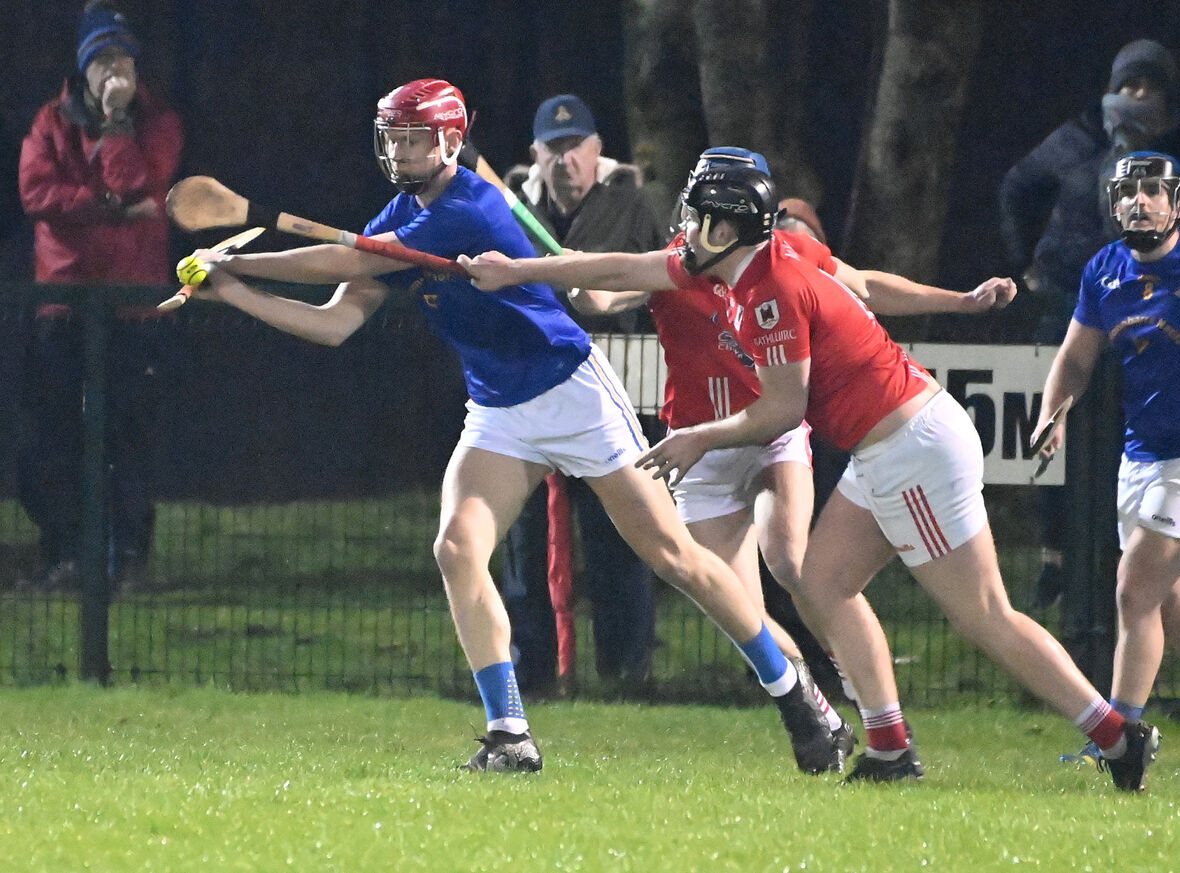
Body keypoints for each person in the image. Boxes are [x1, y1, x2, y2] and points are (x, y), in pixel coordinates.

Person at [180, 79, 839, 774]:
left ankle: (800, 697)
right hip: (498, 409)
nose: (400, 153)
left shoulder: (469, 205)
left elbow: (350, 260)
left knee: (675, 559)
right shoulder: (401, 215)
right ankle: (509, 733)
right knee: (456, 547)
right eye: (393, 139)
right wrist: (235, 291)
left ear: (451, 142)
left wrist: (238, 259)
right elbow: (335, 321)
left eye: (414, 140)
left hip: (571, 394)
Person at [461, 161, 1161, 792]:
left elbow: (782, 410)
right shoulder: (743, 260)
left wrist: (699, 437)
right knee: (823, 582)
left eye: (698, 218)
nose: (685, 230)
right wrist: (516, 271)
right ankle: (889, 746)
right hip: (884, 447)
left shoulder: (769, 292)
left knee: (984, 613)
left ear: (728, 228)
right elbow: (618, 270)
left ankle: (1116, 735)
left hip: (910, 447)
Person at [570, 148, 1018, 717]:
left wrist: (960, 302)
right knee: (742, 616)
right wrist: (577, 279)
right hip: (700, 449)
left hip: (769, 432)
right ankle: (816, 711)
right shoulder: (678, 263)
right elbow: (601, 297)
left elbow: (865, 286)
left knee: (790, 562)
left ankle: (855, 678)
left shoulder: (785, 259)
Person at [1000, 38, 1180, 609]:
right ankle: (1059, 563)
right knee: (1061, 440)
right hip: (1075, 305)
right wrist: (1029, 264)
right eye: (1127, 86)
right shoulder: (1078, 140)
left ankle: (1113, 571)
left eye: (1149, 88)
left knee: (1128, 446)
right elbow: (1018, 187)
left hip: (1155, 331)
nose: (1135, 98)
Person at [1036, 151, 1180, 764]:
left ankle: (1119, 739)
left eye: (1153, 190)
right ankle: (1120, 737)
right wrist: (1053, 414)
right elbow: (1075, 359)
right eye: (1128, 191)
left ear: (1178, 205)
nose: (1140, 200)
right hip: (1140, 458)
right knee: (1174, 612)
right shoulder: (1104, 269)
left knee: (1132, 591)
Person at [500, 94, 665, 696]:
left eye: (576, 148)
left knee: (620, 538)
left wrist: (611, 298)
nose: (565, 161)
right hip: (532, 396)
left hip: (611, 396)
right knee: (525, 543)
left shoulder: (636, 207)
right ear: (536, 155)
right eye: (554, 149)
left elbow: (668, 281)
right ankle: (532, 674)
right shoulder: (512, 212)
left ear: (597, 151)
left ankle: (627, 674)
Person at [16, 1, 183, 593]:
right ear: (83, 68)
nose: (117, 71)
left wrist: (115, 127)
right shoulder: (50, 122)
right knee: (53, 435)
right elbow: (36, 195)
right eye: (104, 60)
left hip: (132, 304)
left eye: (125, 60)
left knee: (128, 435)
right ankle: (66, 554)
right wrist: (105, 207)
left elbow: (139, 187)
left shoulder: (157, 122)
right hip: (64, 303)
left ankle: (128, 559)